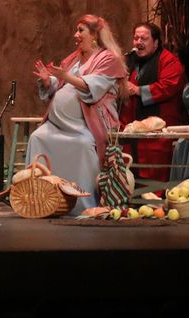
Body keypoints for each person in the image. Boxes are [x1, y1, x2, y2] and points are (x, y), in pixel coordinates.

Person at [27, 14, 126, 215]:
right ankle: (39, 199)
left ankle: (84, 204)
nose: (76, 35)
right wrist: (49, 81)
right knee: (37, 137)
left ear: (95, 35)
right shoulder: (74, 57)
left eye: (81, 30)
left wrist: (66, 76)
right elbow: (60, 83)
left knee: (82, 145)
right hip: (58, 125)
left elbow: (93, 87)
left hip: (85, 125)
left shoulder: (108, 59)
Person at [120, 21, 184, 177]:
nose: (139, 42)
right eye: (136, 38)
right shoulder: (129, 60)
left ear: (155, 43)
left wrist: (137, 90)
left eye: (144, 38)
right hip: (132, 126)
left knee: (155, 170)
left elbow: (168, 86)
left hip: (160, 125)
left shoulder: (169, 61)